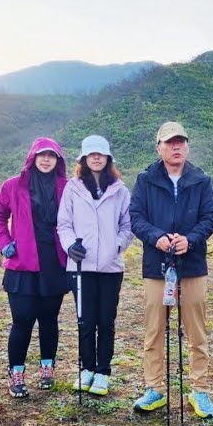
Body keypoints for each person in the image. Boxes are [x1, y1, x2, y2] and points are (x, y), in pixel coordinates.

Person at [128, 121, 213, 417]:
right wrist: (157, 237)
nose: (175, 146)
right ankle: (154, 388)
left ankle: (199, 389)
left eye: (181, 141)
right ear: (159, 148)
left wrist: (190, 240)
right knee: (154, 330)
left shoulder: (201, 180)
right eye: (169, 142)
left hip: (193, 266)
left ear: (187, 146)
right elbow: (136, 217)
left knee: (196, 332)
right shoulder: (145, 180)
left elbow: (209, 218)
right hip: (157, 267)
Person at [0, 137, 71, 398]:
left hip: (54, 263)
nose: (46, 160)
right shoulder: (13, 185)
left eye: (52, 155)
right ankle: (16, 373)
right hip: (22, 265)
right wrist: (5, 244)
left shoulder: (67, 187)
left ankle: (47, 367)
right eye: (42, 155)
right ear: (33, 157)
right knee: (22, 320)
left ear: (58, 160)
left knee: (49, 319)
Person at [56, 135, 132, 396]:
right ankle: (86, 369)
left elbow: (127, 226)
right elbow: (64, 223)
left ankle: (103, 372)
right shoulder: (72, 188)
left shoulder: (120, 190)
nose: (97, 158)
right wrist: (70, 246)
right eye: (92, 154)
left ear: (108, 158)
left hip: (111, 268)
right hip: (80, 267)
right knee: (85, 321)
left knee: (106, 321)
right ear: (84, 159)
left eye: (101, 154)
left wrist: (116, 247)